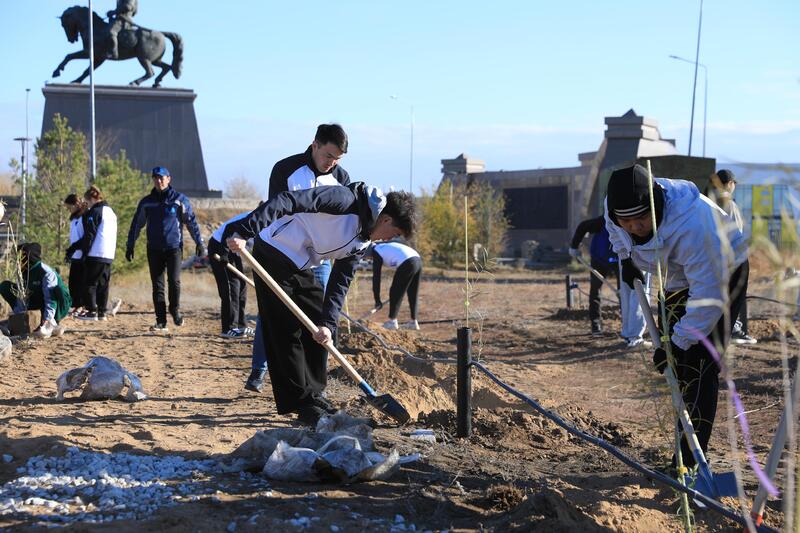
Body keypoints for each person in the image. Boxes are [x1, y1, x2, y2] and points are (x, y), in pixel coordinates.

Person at [224, 182, 416, 426]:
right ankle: (300, 403)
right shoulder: (344, 200)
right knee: (285, 329)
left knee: (318, 322)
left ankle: (314, 394)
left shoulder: (364, 241)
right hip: (272, 249)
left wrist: (327, 323)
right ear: (386, 219)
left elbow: (340, 282)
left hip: (301, 264)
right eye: (395, 234)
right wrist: (245, 230)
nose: (391, 239)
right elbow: (286, 200)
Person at [605, 163, 748, 468]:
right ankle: (683, 452)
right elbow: (615, 228)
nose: (634, 227)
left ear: (655, 208)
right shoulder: (614, 205)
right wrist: (626, 255)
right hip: (678, 275)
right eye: (626, 221)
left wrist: (677, 344)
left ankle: (691, 461)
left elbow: (707, 297)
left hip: (724, 269)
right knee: (677, 368)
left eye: (641, 219)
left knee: (698, 363)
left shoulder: (695, 227)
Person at [244, 123, 352, 393]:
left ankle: (316, 385)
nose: (332, 163)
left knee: (321, 320)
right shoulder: (286, 169)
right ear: (315, 145)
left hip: (320, 261)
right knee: (272, 314)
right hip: (283, 254)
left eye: (337, 159)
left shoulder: (342, 178)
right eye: (328, 155)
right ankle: (259, 370)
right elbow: (277, 212)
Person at [126, 166, 205, 332]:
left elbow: (190, 221)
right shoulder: (147, 202)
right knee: (157, 285)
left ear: (169, 179)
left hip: (174, 248)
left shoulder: (179, 200)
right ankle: (161, 321)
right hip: (154, 249)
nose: (159, 181)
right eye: (155, 178)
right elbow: (136, 225)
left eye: (162, 178)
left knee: (174, 281)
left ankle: (174, 310)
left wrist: (199, 242)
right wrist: (130, 244)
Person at [569, 215, 651, 347]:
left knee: (624, 291)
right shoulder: (603, 220)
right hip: (599, 259)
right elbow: (583, 226)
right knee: (596, 290)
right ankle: (596, 324)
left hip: (620, 258)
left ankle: (628, 328)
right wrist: (574, 246)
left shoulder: (631, 222)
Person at [706, 169, 756, 345]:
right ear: (729, 184)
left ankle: (720, 329)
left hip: (710, 257)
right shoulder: (729, 204)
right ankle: (735, 329)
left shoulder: (706, 201)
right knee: (734, 294)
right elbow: (736, 234)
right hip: (730, 258)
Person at [1, 243, 71, 338]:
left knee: (57, 290)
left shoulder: (46, 272)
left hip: (57, 303)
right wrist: (19, 317)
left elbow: (50, 299)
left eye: (22, 256)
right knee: (5, 286)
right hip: (37, 300)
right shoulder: (23, 271)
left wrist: (47, 319)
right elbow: (22, 296)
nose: (19, 260)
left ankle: (53, 322)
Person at [73, 186, 117, 321]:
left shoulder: (96, 212)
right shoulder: (111, 212)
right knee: (103, 284)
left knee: (89, 283)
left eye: (87, 201)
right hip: (108, 254)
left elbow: (90, 234)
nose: (87, 204)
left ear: (92, 199)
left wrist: (85, 252)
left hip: (96, 253)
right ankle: (102, 312)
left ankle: (91, 311)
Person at [208, 212, 253, 338]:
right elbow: (229, 228)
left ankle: (241, 326)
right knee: (231, 287)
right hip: (219, 246)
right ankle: (228, 328)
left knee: (242, 285)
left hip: (233, 249)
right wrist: (224, 253)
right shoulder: (253, 218)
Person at [370, 241, 422, 330]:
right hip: (418, 260)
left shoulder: (376, 251)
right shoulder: (383, 247)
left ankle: (392, 321)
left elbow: (376, 278)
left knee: (395, 291)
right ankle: (414, 322)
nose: (369, 259)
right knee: (413, 292)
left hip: (408, 261)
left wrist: (377, 300)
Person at [63, 194, 87, 315]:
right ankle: (77, 305)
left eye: (70, 207)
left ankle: (83, 306)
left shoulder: (85, 216)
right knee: (73, 282)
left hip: (82, 254)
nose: (69, 210)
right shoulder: (74, 219)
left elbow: (85, 237)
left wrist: (77, 249)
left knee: (82, 282)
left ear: (77, 204)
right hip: (75, 255)